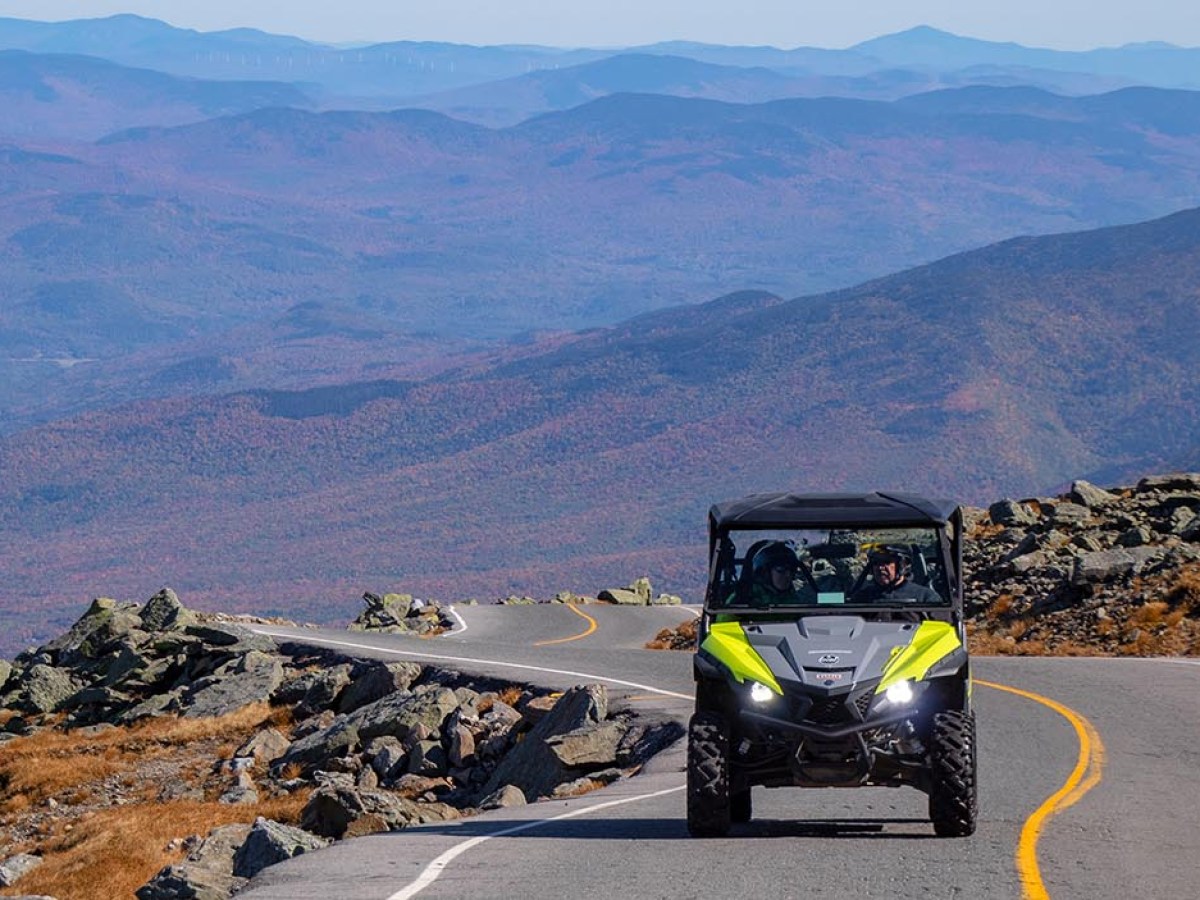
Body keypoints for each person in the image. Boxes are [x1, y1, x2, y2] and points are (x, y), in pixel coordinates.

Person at [853, 546, 941, 603]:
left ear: (903, 565)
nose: (880, 568)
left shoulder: (926, 598)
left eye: (886, 562)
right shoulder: (862, 598)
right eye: (876, 563)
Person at [746, 542, 814, 606]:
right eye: (781, 570)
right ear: (765, 574)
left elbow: (817, 602)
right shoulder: (747, 597)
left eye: (791, 570)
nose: (788, 575)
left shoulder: (796, 595)